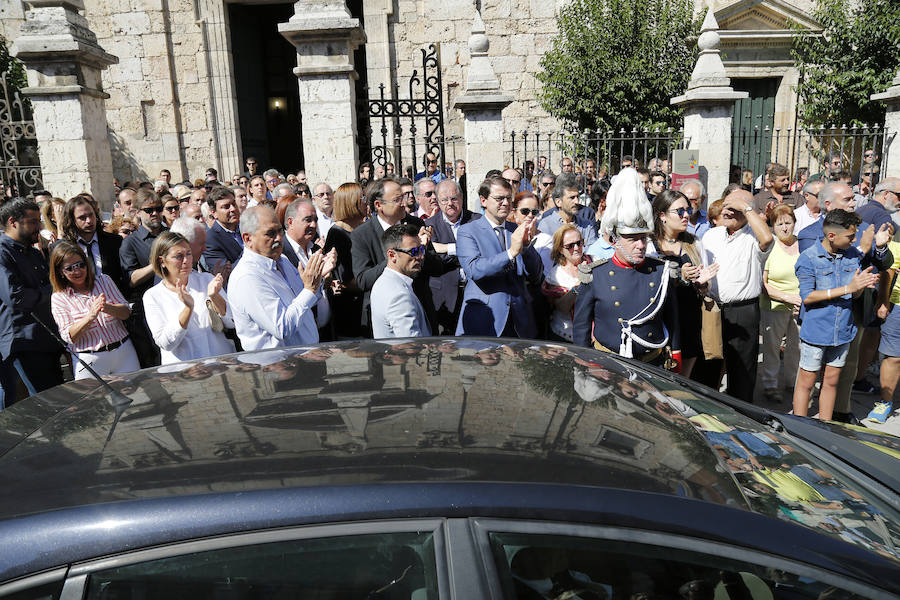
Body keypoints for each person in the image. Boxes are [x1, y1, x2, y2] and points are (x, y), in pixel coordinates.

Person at [572, 171, 680, 369]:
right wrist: (585, 365)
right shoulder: (595, 275)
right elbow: (581, 329)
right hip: (608, 367)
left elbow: (673, 323)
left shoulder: (661, 271)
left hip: (653, 366)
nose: (640, 245)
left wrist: (676, 357)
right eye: (632, 239)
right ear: (614, 240)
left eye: (643, 238)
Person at [793, 210, 885, 421]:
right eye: (851, 237)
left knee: (832, 380)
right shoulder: (809, 258)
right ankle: (798, 427)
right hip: (816, 330)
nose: (855, 240)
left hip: (843, 330)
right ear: (832, 236)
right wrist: (848, 288)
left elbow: (855, 293)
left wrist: (862, 285)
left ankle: (826, 426)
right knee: (807, 382)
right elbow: (807, 296)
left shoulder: (852, 255)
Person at [703, 189, 773, 403]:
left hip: (743, 312)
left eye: (735, 207)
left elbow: (768, 239)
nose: (728, 210)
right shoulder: (710, 235)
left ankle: (740, 418)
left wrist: (745, 206)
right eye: (726, 205)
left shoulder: (754, 236)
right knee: (709, 368)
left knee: (742, 372)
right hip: (712, 309)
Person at [228, 206, 333, 349]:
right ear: (247, 238)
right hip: (278, 367)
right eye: (270, 234)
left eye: (280, 231)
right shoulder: (247, 277)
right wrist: (310, 289)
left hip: (308, 357)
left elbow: (305, 302)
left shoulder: (282, 260)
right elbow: (282, 328)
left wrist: (317, 279)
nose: (278, 238)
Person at [352, 176, 445, 335]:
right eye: (397, 199)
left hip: (420, 311)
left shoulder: (416, 224)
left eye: (404, 197)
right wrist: (398, 256)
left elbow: (437, 268)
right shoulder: (362, 234)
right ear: (379, 205)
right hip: (385, 320)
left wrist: (421, 250)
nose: (404, 203)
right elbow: (362, 280)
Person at [455, 176, 543, 337]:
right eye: (499, 198)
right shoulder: (468, 231)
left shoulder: (515, 229)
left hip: (519, 321)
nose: (505, 203)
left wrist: (526, 247)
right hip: (485, 319)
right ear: (483, 200)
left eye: (508, 198)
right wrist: (510, 253)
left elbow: (536, 275)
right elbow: (474, 270)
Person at [0, 199, 64, 408]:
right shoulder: (3, 253)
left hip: (48, 337)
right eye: (33, 222)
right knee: (47, 404)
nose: (39, 226)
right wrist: (52, 291)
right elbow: (16, 297)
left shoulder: (34, 252)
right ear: (13, 222)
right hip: (24, 341)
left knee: (58, 398)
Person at [649, 190, 717, 378]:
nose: (686, 215)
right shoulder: (649, 245)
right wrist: (679, 276)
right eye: (679, 211)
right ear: (662, 215)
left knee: (682, 379)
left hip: (688, 318)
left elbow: (705, 287)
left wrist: (702, 285)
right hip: (660, 320)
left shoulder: (694, 242)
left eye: (687, 210)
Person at [49, 241, 139, 379]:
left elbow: (126, 313)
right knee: (95, 401)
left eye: (80, 265)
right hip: (90, 359)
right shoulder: (59, 297)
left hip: (123, 352)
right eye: (70, 268)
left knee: (136, 396)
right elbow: (69, 336)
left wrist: (107, 307)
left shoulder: (104, 281)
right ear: (60, 271)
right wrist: (90, 316)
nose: (77, 271)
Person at [143, 232, 234, 364]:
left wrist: (215, 297)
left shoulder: (206, 280)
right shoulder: (153, 296)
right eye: (179, 256)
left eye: (188, 254)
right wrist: (188, 308)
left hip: (220, 364)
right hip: (186, 374)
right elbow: (165, 343)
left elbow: (232, 322)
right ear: (162, 261)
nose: (186, 260)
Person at [426, 179, 481, 334]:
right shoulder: (429, 225)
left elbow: (482, 252)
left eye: (454, 198)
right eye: (444, 199)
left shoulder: (476, 221)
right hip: (444, 295)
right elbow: (435, 260)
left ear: (462, 198)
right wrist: (467, 253)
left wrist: (445, 248)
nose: (449, 203)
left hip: (475, 291)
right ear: (437, 201)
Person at [119, 188, 166, 367]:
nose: (154, 213)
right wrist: (156, 264)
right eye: (148, 210)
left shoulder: (170, 235)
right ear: (138, 212)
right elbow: (131, 279)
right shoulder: (130, 243)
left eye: (158, 208)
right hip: (147, 311)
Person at [759, 204, 801, 401]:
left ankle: (793, 383)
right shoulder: (770, 248)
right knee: (772, 346)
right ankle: (770, 384)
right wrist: (786, 298)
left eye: (788, 222)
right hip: (774, 305)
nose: (784, 228)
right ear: (772, 226)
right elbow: (763, 284)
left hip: (800, 306)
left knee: (796, 347)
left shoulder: (803, 244)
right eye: (779, 224)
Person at [371, 224, 432, 338]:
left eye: (421, 249)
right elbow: (411, 347)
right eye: (413, 251)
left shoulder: (383, 282)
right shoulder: (399, 296)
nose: (420, 256)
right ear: (392, 255)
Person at [57, 195, 128, 294]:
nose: (89, 221)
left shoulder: (114, 241)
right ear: (72, 220)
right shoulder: (64, 247)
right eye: (82, 218)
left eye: (91, 215)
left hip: (113, 298)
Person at [326, 182, 366, 338]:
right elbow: (344, 279)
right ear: (351, 202)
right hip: (350, 309)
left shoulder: (362, 228)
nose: (365, 201)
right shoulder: (337, 234)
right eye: (362, 197)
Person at [542, 225, 591, 343]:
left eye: (579, 243)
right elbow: (563, 307)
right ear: (560, 249)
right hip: (565, 337)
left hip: (592, 335)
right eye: (570, 246)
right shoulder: (556, 275)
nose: (576, 248)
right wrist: (580, 285)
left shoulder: (593, 261)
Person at [537, 172, 598, 247]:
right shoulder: (546, 225)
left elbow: (592, 253)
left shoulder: (587, 225)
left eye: (577, 197)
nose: (577, 201)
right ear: (558, 202)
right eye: (572, 198)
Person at [203, 185, 243, 269]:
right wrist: (251, 249)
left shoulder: (247, 226)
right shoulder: (210, 240)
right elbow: (226, 272)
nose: (233, 209)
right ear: (214, 213)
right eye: (226, 207)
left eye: (234, 204)